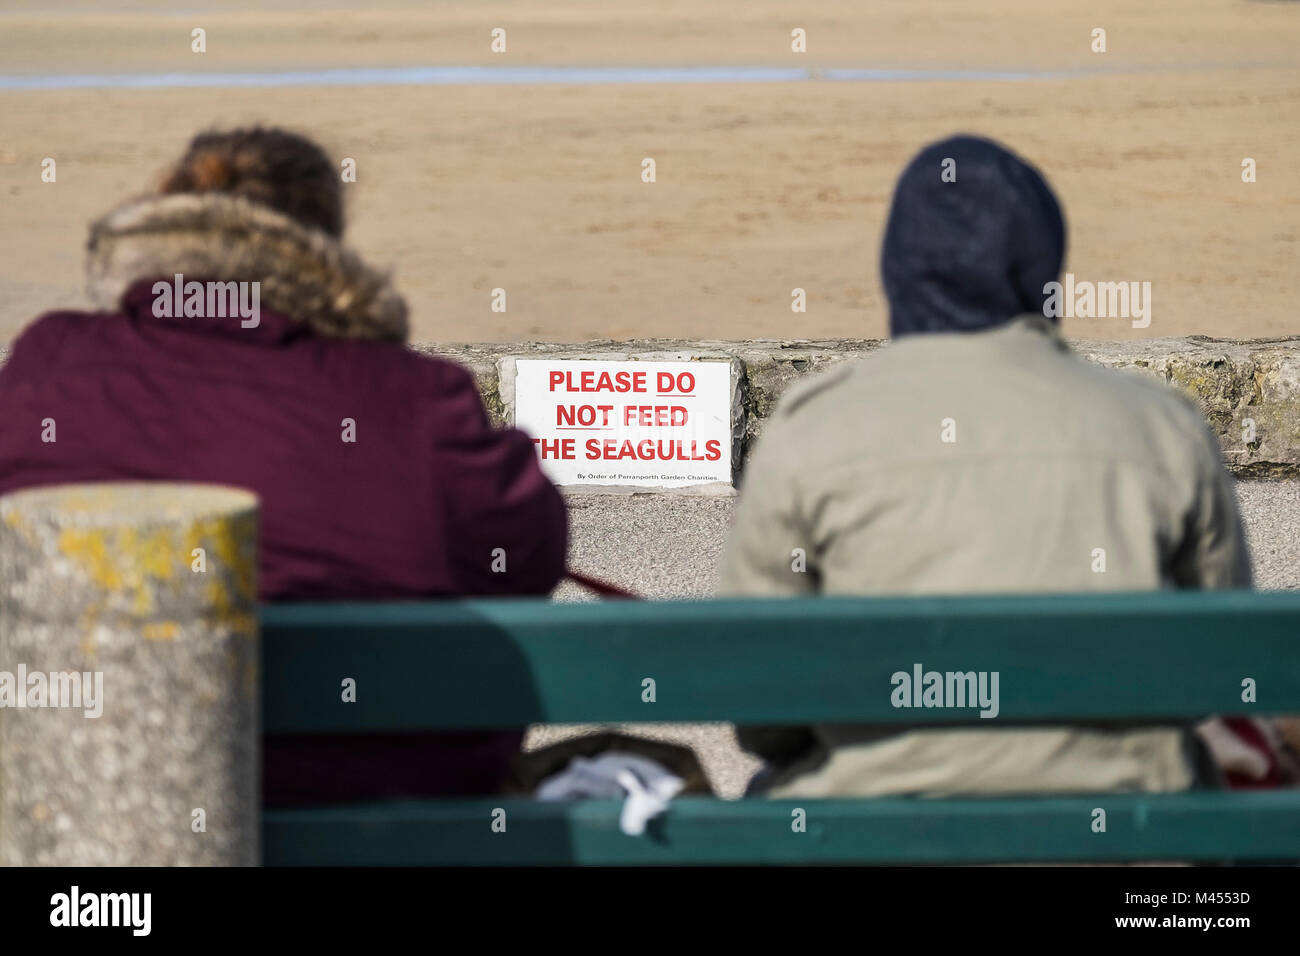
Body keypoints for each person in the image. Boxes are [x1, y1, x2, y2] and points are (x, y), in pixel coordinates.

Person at [0, 127, 567, 806]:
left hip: (70, 796)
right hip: (361, 818)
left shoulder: (48, 359)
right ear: (323, 245)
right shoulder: (410, 397)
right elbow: (524, 556)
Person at [720, 134, 1253, 798]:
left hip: (865, 837)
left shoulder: (811, 431)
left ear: (896, 271)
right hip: (1126, 840)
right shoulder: (1161, 426)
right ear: (1045, 270)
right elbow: (1225, 666)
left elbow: (763, 714)